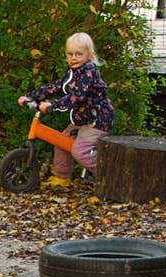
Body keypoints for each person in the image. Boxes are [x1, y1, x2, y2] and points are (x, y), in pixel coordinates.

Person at [18, 32, 115, 185]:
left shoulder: (89, 72)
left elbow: (78, 95)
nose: (73, 58)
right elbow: (55, 86)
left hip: (97, 121)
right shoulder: (73, 73)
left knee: (80, 151)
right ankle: (62, 177)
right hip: (82, 119)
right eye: (70, 54)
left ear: (89, 55)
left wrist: (53, 105)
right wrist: (31, 96)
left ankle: (110, 176)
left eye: (78, 54)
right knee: (61, 141)